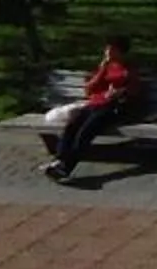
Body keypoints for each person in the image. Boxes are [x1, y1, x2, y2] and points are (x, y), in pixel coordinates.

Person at [43, 37, 141, 182]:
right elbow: (90, 89)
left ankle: (66, 167)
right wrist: (102, 69)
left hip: (113, 108)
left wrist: (120, 92)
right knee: (72, 126)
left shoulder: (128, 69)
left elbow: (136, 90)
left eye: (111, 49)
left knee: (85, 132)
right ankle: (59, 159)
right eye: (107, 49)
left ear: (120, 52)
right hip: (95, 104)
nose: (107, 52)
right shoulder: (106, 67)